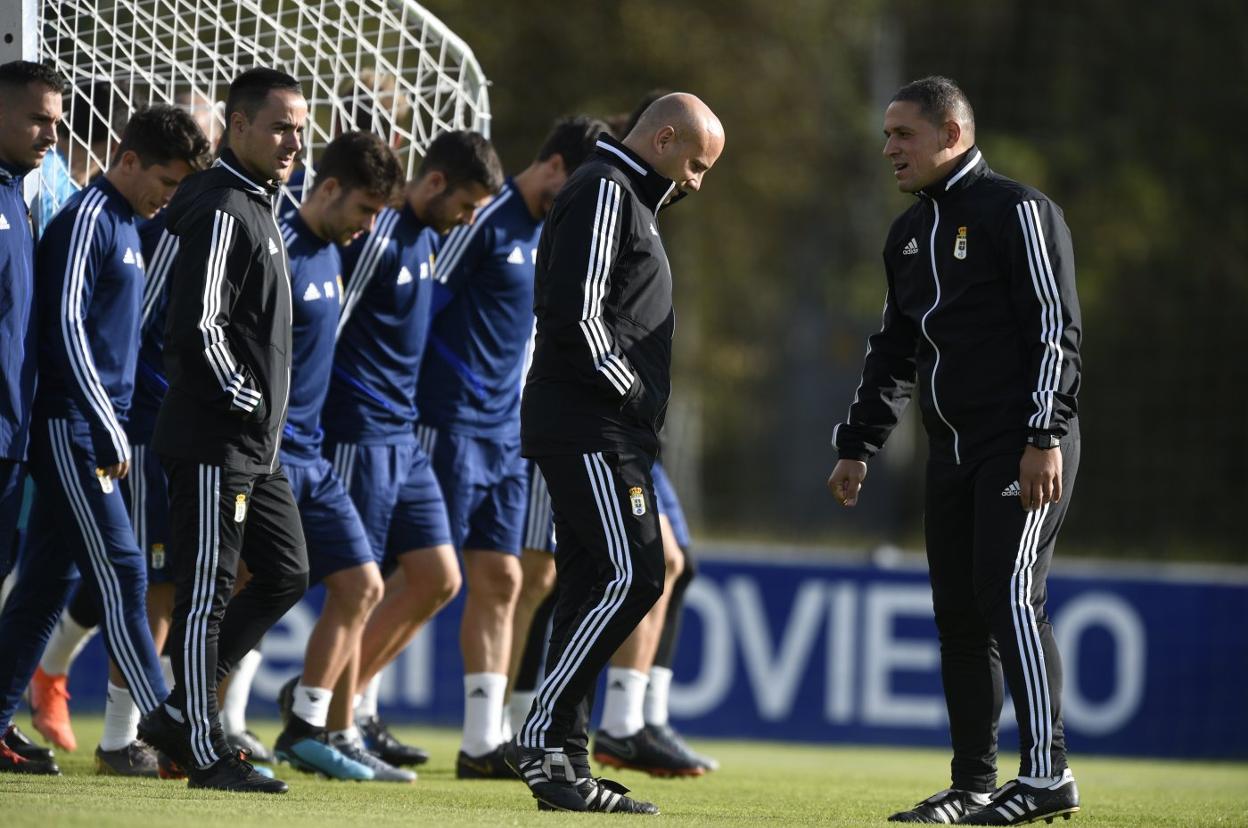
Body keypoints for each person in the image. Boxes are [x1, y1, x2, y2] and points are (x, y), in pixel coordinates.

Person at [827, 76, 1082, 826]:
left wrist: (1043, 435)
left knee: (1010, 597)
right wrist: (858, 444)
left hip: (1024, 445)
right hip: (952, 452)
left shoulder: (1021, 212)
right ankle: (974, 784)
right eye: (887, 134)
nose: (888, 149)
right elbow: (894, 349)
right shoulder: (908, 234)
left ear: (952, 134)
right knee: (960, 618)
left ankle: (1047, 775)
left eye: (903, 134)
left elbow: (1055, 331)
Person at [508, 93, 724, 814]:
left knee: (590, 584)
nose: (697, 182)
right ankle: (540, 733)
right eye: (695, 163)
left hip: (602, 426)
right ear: (663, 138)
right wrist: (631, 393)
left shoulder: (625, 193)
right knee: (633, 576)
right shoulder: (605, 188)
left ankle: (565, 763)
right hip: (591, 425)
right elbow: (577, 313)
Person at [0, 104, 208, 777]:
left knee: (42, 590)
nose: (169, 197)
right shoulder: (90, 217)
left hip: (96, 428)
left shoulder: (126, 223)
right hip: (73, 427)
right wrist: (108, 418)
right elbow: (65, 328)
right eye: (165, 181)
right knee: (124, 570)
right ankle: (168, 731)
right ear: (126, 160)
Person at [414, 115, 606, 779]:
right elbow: (424, 310)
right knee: (404, 575)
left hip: (505, 435)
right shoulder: (483, 218)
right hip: (446, 424)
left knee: (506, 577)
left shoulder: (552, 230)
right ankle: (348, 714)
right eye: (576, 182)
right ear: (553, 165)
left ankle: (480, 743)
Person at [135, 68, 311, 794]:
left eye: (301, 129)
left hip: (254, 449)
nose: (293, 142)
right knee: (204, 588)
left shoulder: (262, 204)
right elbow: (195, 328)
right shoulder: (220, 208)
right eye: (279, 127)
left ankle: (181, 711)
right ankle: (205, 750)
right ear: (236, 127)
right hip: (214, 440)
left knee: (286, 571)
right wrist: (245, 402)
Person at [311, 129, 500, 768]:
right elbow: (326, 331)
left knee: (439, 578)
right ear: (437, 183)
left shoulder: (432, 240)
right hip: (358, 432)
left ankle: (339, 710)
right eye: (468, 204)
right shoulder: (376, 236)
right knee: (347, 587)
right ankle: (332, 729)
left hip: (405, 435)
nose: (471, 220)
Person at [268, 131, 413, 783]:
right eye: (365, 210)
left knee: (362, 586)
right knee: (242, 591)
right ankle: (202, 724)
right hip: (267, 454)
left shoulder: (333, 252)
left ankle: (306, 727)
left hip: (313, 454)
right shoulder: (278, 248)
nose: (369, 227)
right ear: (328, 189)